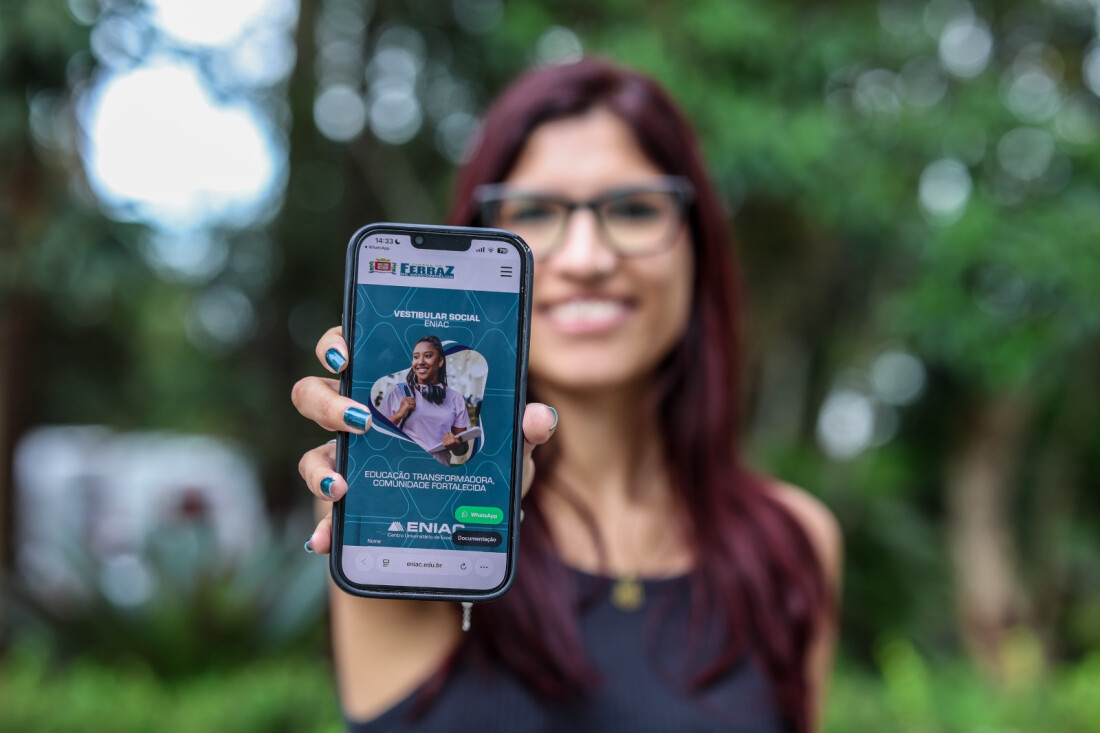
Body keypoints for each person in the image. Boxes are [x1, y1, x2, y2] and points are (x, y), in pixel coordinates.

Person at [292, 58, 841, 732]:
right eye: (536, 212)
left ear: (697, 247)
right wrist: (395, 467)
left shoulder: (793, 544)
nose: (585, 258)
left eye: (635, 208)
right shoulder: (424, 536)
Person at [381, 335, 471, 465]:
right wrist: (398, 415)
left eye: (428, 356)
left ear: (440, 361)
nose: (420, 361)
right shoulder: (398, 392)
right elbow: (377, 437)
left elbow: (463, 449)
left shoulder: (455, 398)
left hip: (437, 472)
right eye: (416, 357)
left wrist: (455, 446)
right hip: (402, 467)